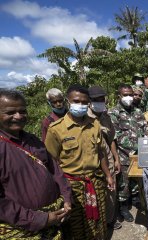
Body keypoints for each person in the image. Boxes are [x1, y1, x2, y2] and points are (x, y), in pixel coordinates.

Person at [45, 84, 114, 240]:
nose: (81, 105)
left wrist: (108, 175)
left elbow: (100, 152)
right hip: (72, 185)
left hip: (95, 180)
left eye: (84, 102)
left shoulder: (94, 124)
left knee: (99, 221)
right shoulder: (56, 129)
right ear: (68, 101)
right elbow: (51, 163)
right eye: (77, 101)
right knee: (77, 226)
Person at [0, 89, 72, 239]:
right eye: (10, 112)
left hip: (57, 218)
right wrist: (40, 219)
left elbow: (55, 170)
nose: (18, 116)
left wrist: (66, 197)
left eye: (22, 111)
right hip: (23, 229)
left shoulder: (33, 140)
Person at [109, 84, 148, 222]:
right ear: (119, 95)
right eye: (125, 95)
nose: (129, 97)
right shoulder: (113, 113)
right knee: (123, 184)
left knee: (136, 181)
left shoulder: (138, 112)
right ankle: (124, 208)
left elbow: (145, 130)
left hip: (139, 155)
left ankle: (136, 200)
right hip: (123, 156)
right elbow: (115, 136)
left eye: (131, 94)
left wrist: (145, 145)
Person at [88, 86, 122, 230]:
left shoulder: (106, 116)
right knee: (94, 192)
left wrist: (116, 158)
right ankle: (96, 222)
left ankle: (109, 220)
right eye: (96, 100)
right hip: (90, 160)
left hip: (107, 157)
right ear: (89, 101)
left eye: (101, 99)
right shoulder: (84, 117)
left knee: (111, 190)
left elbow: (111, 139)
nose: (99, 102)